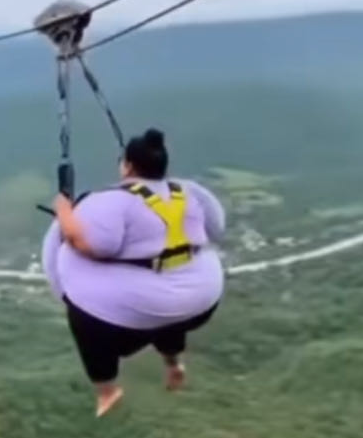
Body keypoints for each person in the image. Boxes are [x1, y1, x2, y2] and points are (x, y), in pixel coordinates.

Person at [41, 128, 225, 417]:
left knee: (83, 316)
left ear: (127, 166)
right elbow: (217, 228)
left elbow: (93, 245)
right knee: (169, 313)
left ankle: (106, 390)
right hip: (200, 301)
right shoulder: (190, 192)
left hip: (134, 313)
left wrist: (63, 210)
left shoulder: (110, 200)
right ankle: (173, 362)